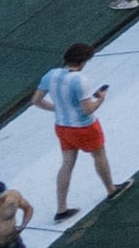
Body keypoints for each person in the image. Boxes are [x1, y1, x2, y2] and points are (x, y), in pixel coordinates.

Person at [38, 44, 115, 218]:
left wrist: (57, 109)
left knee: (66, 164)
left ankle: (61, 208)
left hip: (62, 126)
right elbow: (87, 109)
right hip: (84, 126)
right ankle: (110, 188)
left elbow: (36, 100)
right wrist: (101, 99)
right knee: (99, 155)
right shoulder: (79, 80)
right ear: (82, 62)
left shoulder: (51, 74)